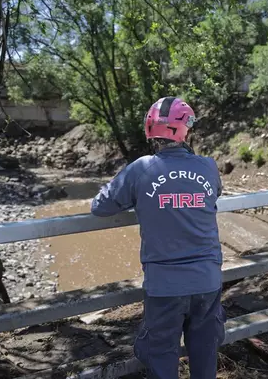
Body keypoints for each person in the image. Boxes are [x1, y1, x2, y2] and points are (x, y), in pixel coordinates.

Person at [91, 97, 225, 379]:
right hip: (207, 281)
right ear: (186, 130)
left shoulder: (141, 169)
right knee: (205, 355)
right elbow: (214, 192)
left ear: (150, 130)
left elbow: (100, 207)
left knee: (162, 359)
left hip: (165, 287)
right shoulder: (208, 166)